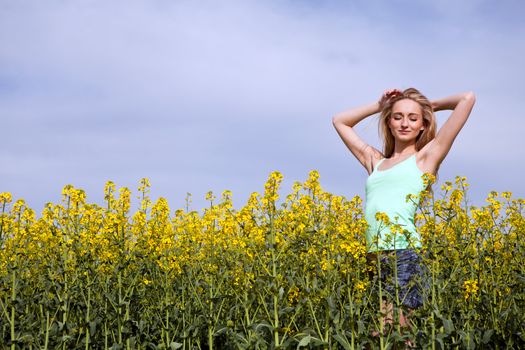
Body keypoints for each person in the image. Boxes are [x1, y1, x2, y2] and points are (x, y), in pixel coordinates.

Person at [332, 88, 476, 340]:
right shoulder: (374, 161)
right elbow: (340, 121)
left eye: (412, 117)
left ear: (423, 125)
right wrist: (381, 104)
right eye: (397, 116)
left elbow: (467, 99)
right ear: (388, 121)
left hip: (404, 254)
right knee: (380, 336)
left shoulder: (426, 158)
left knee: (396, 334)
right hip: (374, 258)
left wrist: (428, 105)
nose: (404, 123)